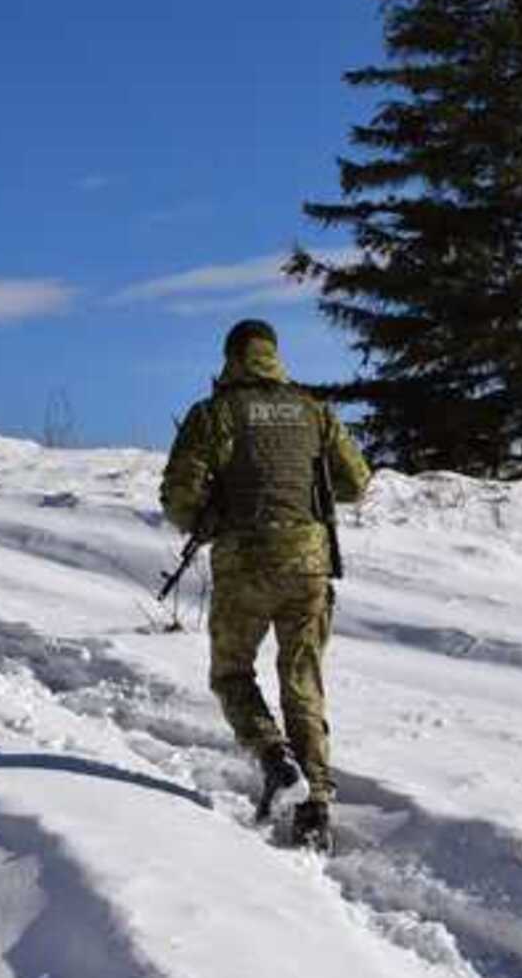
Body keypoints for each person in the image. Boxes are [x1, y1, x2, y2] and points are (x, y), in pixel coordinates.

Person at [160, 318, 370, 852]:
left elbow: (178, 497)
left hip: (244, 563)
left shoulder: (215, 414)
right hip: (309, 565)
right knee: (302, 677)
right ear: (274, 355)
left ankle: (274, 757)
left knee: (231, 673)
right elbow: (356, 482)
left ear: (231, 357)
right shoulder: (313, 411)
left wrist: (207, 519)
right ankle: (315, 807)